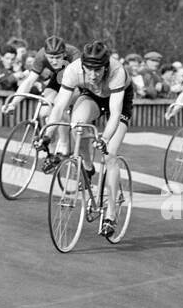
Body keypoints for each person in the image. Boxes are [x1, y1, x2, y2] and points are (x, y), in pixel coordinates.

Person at [44, 40, 132, 239]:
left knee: (110, 154)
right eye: (88, 70)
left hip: (118, 101)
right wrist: (47, 134)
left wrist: (105, 138)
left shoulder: (117, 72)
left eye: (98, 70)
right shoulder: (73, 70)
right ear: (82, 65)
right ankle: (88, 165)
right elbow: (58, 106)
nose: (92, 75)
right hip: (92, 95)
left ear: (106, 67)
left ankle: (110, 214)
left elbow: (115, 112)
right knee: (77, 124)